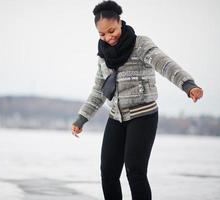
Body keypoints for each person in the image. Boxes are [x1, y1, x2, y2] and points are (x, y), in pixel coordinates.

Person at [71, 1, 204, 200]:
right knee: (108, 172)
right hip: (116, 117)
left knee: (135, 171)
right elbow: (99, 90)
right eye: (102, 34)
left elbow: (164, 64)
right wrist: (81, 119)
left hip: (143, 115)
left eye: (111, 31)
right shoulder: (104, 56)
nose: (108, 38)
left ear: (120, 22)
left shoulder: (141, 45)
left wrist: (188, 85)